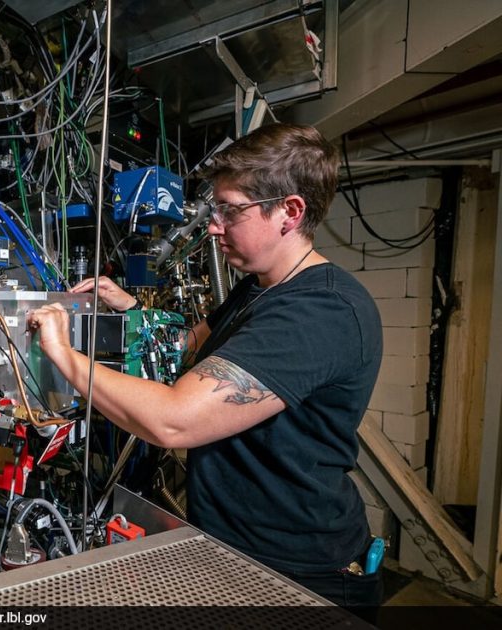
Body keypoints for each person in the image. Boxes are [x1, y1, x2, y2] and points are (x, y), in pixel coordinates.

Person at [26, 123, 383, 612]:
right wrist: (132, 312)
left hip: (298, 571)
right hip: (234, 549)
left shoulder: (321, 310)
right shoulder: (257, 287)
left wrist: (65, 356)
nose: (214, 225)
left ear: (289, 211)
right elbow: (184, 350)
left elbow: (175, 420)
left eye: (230, 210)